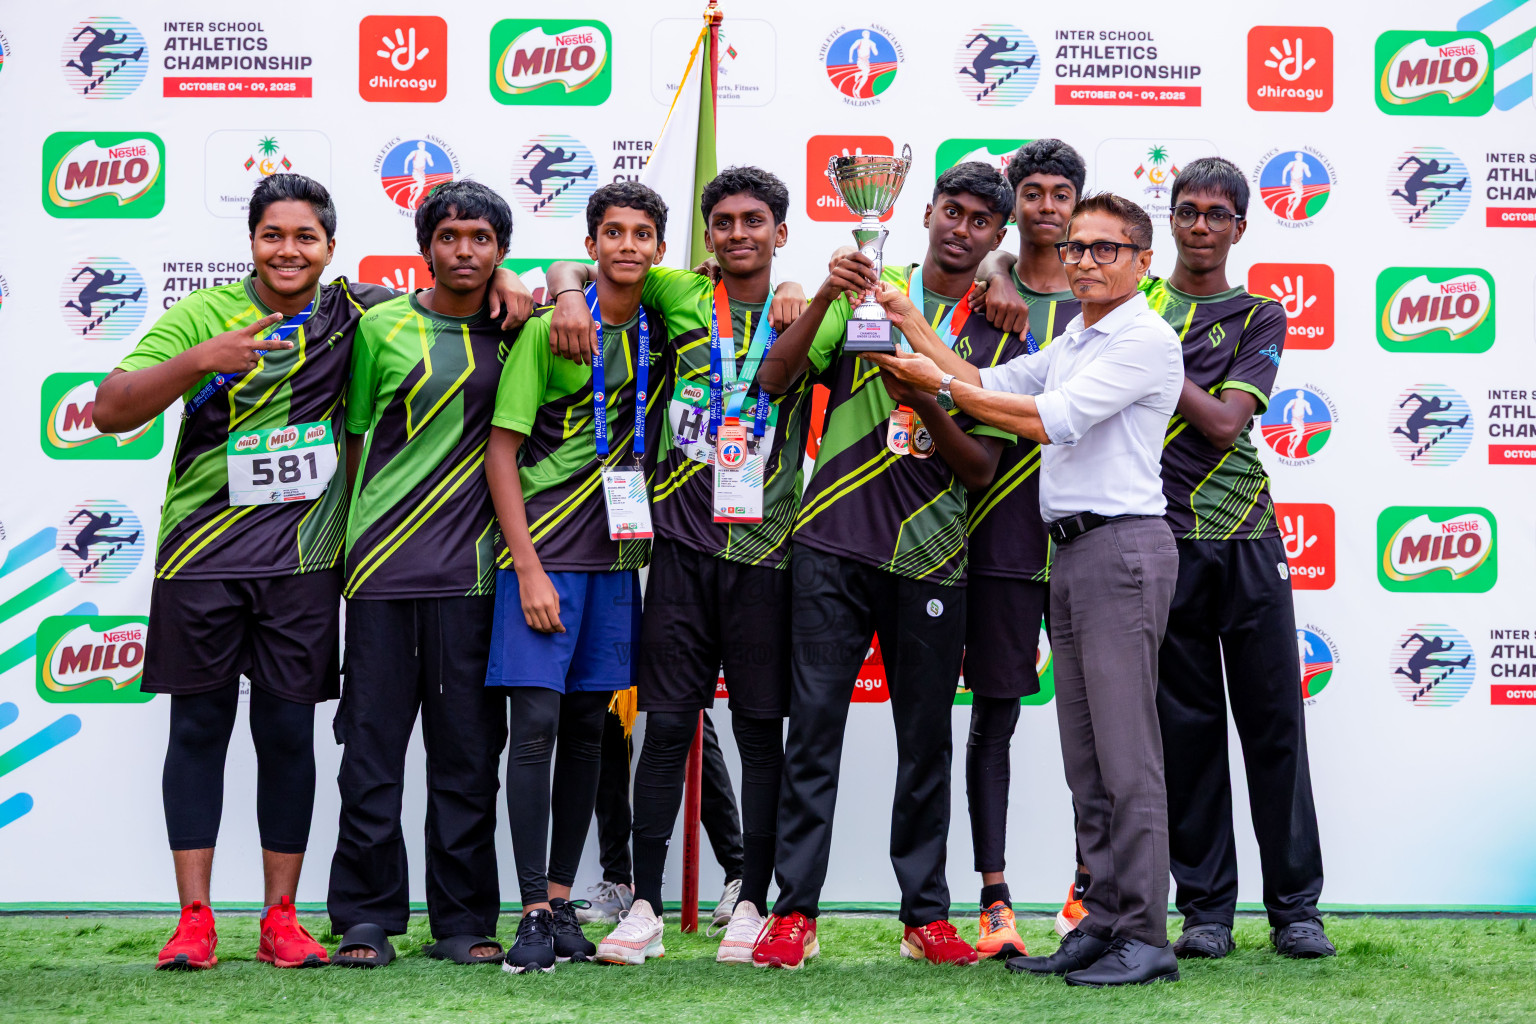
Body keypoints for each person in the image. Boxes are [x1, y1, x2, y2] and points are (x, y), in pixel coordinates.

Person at [91, 174, 529, 973]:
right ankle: (194, 919)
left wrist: (515, 282)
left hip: (304, 562)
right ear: (251, 242)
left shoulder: (354, 311)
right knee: (198, 729)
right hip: (200, 558)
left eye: (305, 238)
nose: (288, 251)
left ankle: (281, 917)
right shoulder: (204, 313)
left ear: (330, 248)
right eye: (273, 236)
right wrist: (204, 359)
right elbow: (111, 407)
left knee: (289, 734)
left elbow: (450, 286)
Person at [870, 192, 1184, 987]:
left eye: (1106, 249)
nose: (1085, 261)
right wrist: (907, 318)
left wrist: (938, 391)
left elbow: (1047, 419)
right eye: (1076, 248)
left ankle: (1145, 935)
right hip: (1072, 552)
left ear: (1143, 262)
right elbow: (980, 376)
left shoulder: (1144, 338)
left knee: (1128, 758)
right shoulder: (1077, 334)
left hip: (1122, 551)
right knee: (1088, 760)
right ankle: (1102, 922)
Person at [750, 163, 1022, 969]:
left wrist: (926, 393)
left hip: (931, 557)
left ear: (997, 236)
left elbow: (981, 469)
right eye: (952, 211)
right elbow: (773, 378)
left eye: (980, 220)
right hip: (831, 544)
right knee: (813, 735)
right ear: (926, 213)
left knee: (924, 744)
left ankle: (924, 916)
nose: (961, 228)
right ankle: (794, 912)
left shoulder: (1001, 330)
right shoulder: (869, 287)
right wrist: (825, 296)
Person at [545, 166, 818, 966]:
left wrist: (800, 289)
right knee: (666, 728)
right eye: (723, 222)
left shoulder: (811, 311)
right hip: (681, 554)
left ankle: (752, 901)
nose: (738, 234)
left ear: (780, 232)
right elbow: (582, 265)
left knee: (760, 735)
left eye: (754, 221)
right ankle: (644, 907)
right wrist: (565, 292)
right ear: (704, 237)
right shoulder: (677, 292)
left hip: (766, 556)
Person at [325, 180, 527, 968]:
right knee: (370, 758)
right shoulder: (382, 327)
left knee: (468, 760)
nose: (464, 251)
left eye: (481, 238)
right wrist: (353, 545)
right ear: (426, 247)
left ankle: (463, 920)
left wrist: (529, 284)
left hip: (473, 578)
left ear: (501, 251)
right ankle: (366, 917)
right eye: (449, 236)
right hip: (381, 573)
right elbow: (355, 438)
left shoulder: (520, 329)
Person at [1142, 157, 1333, 961]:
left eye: (1216, 214)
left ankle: (1296, 910)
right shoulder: (1135, 303)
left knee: (1274, 723)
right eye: (1187, 210)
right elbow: (1037, 270)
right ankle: (1207, 914)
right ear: (1170, 220)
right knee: (1186, 733)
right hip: (1163, 538)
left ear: (1240, 227)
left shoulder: (1259, 312)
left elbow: (1225, 425)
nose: (1200, 226)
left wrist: (1154, 359)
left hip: (1247, 534)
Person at [485, 181, 669, 974]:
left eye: (641, 234)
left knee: (591, 732)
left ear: (659, 249)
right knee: (535, 729)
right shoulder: (549, 329)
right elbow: (501, 452)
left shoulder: (664, 328)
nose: (627, 245)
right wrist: (527, 569)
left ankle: (562, 901)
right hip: (545, 557)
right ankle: (529, 908)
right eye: (612, 233)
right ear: (591, 245)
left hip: (616, 560)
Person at [963, 139, 1089, 954]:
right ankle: (994, 896)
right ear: (1014, 203)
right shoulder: (982, 297)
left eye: (1060, 194)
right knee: (995, 718)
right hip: (1001, 539)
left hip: (1084, 540)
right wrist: (995, 268)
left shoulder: (1110, 301)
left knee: (1097, 723)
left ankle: (1089, 889)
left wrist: (1000, 266)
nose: (1047, 206)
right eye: (1032, 193)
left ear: (1078, 204)